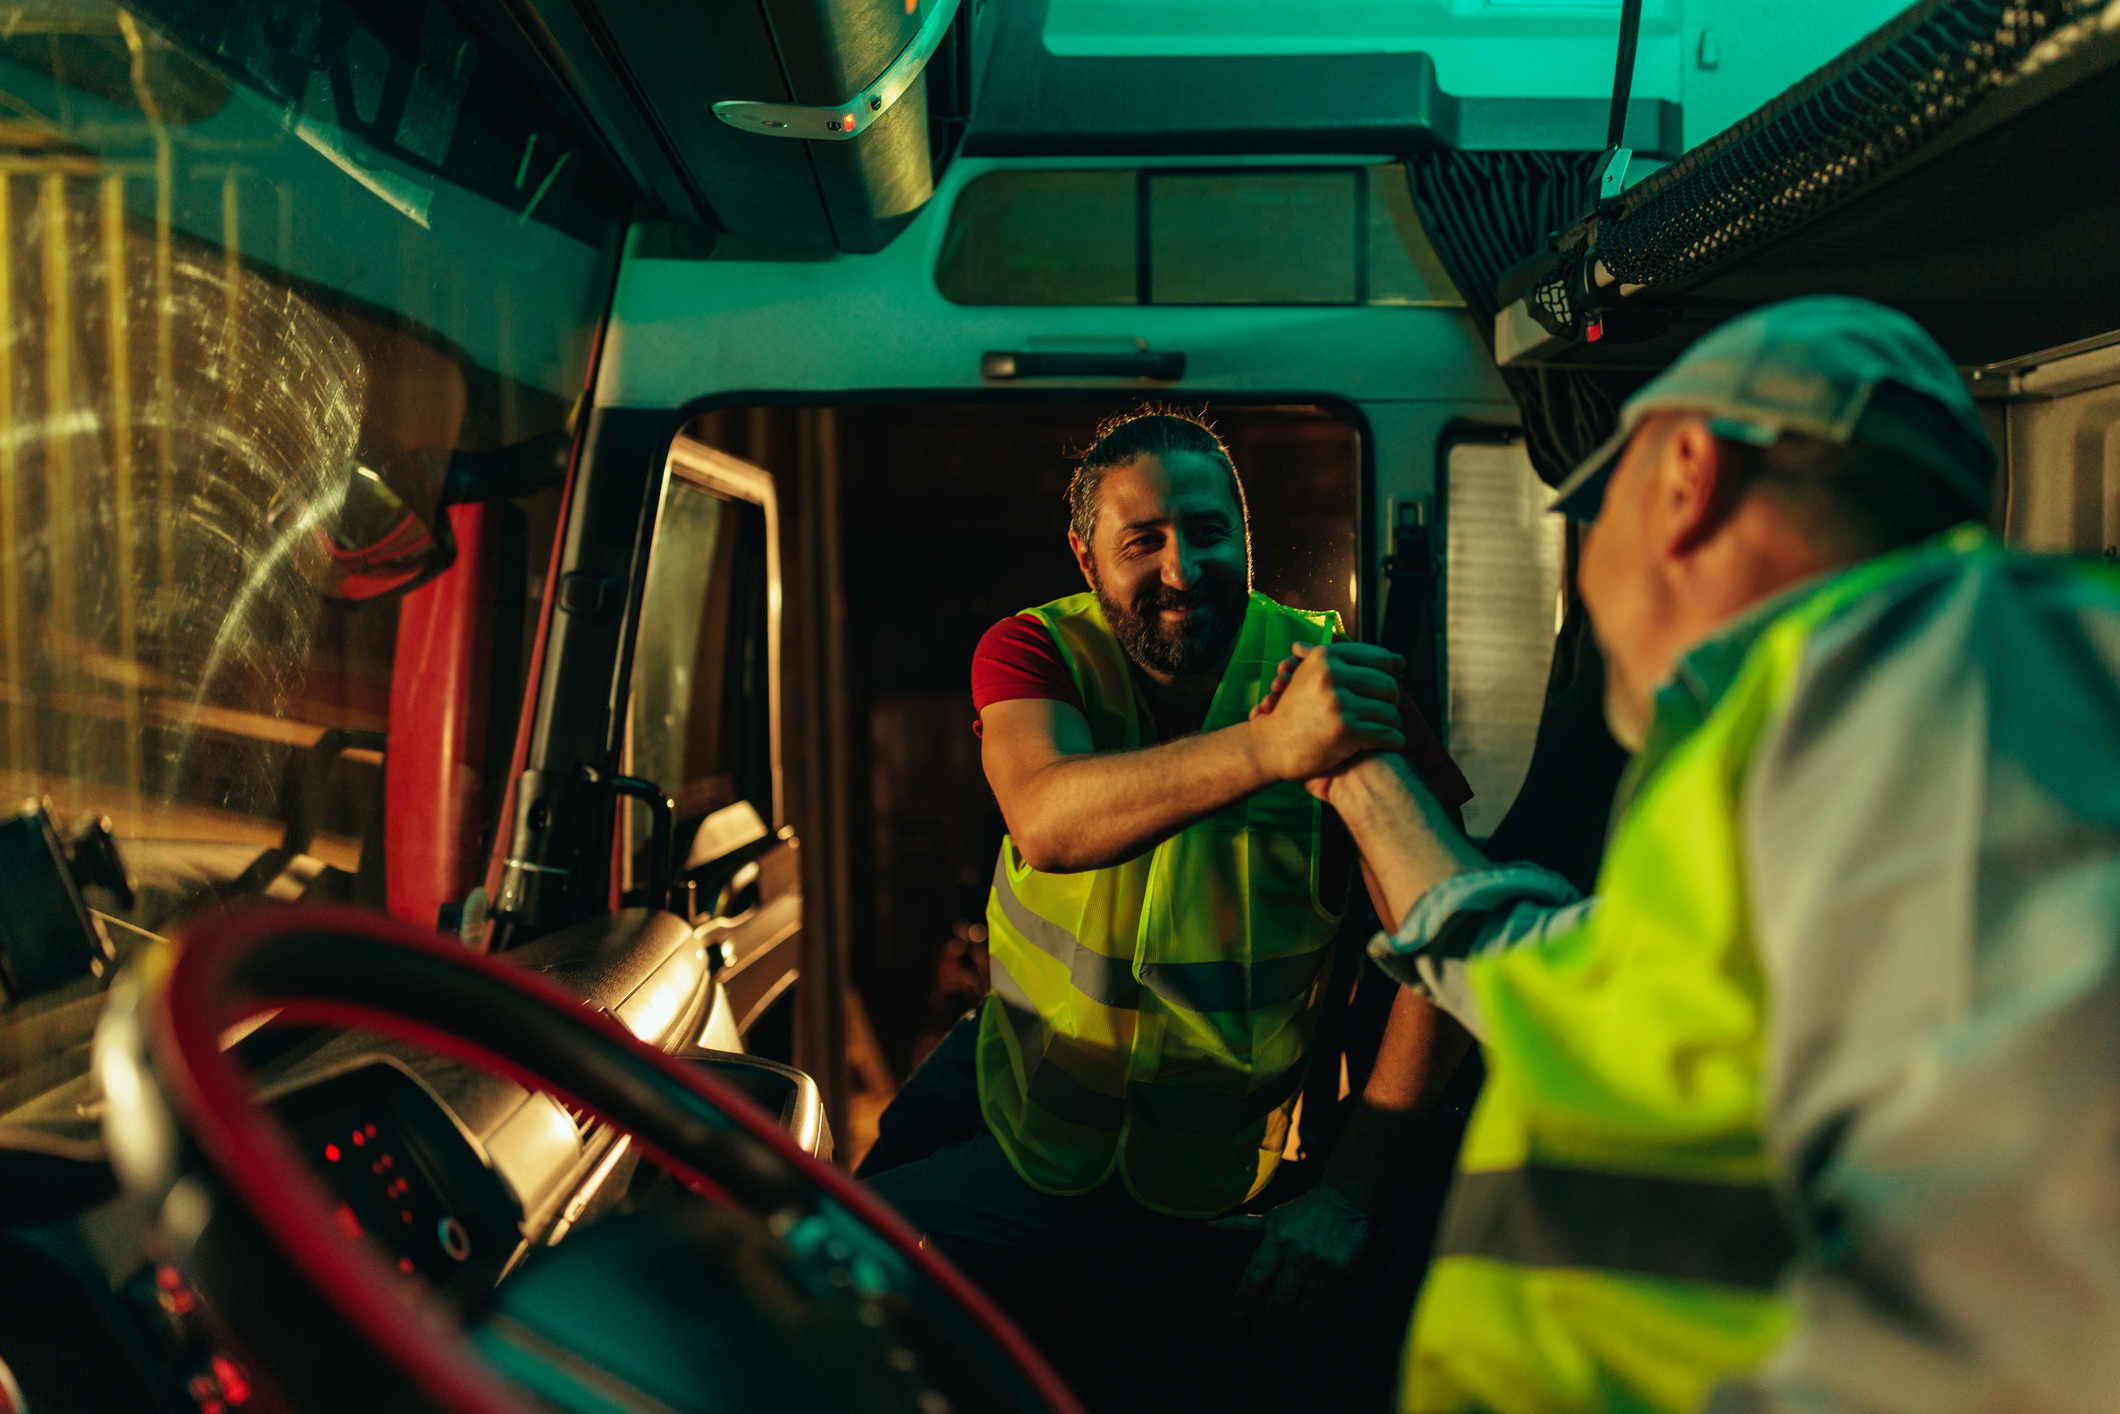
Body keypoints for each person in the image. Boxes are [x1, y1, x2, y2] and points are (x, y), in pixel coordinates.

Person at [1264, 295, 2120, 1412]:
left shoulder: (1942, 680)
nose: (1588, 579)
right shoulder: (1811, 732)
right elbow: (1586, 980)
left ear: (1684, 479)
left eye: (1595, 515)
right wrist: (1362, 783)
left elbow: (2036, 1285)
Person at [861, 410, 1477, 1338]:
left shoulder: (1339, 690)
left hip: (1198, 1165)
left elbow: (1457, 945)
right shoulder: (1036, 650)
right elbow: (1049, 821)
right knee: (821, 1213)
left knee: (825, 1267)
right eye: (1143, 541)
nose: (1183, 570)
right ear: (1086, 557)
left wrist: (1348, 1195)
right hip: (1016, 1072)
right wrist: (1270, 750)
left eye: (1208, 532)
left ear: (1245, 537)